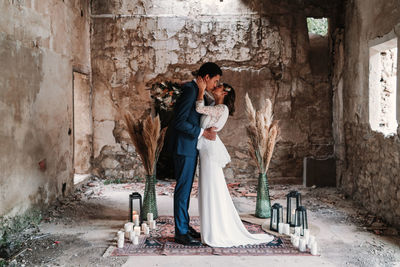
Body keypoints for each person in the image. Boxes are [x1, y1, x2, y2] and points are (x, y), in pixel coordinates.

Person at [195, 81, 274, 247]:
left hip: (209, 150)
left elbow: (198, 109)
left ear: (224, 94)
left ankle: (215, 231)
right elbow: (206, 105)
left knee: (211, 187)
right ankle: (211, 227)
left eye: (219, 87)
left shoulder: (221, 109)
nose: (215, 87)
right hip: (206, 148)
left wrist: (201, 91)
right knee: (209, 186)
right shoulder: (215, 105)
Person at [171, 62, 222, 246]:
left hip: (190, 147)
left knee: (186, 190)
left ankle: (184, 225)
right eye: (215, 81)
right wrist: (202, 133)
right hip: (184, 148)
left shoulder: (197, 90)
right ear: (206, 77)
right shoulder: (191, 90)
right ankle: (181, 232)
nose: (215, 85)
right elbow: (179, 122)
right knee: (183, 190)